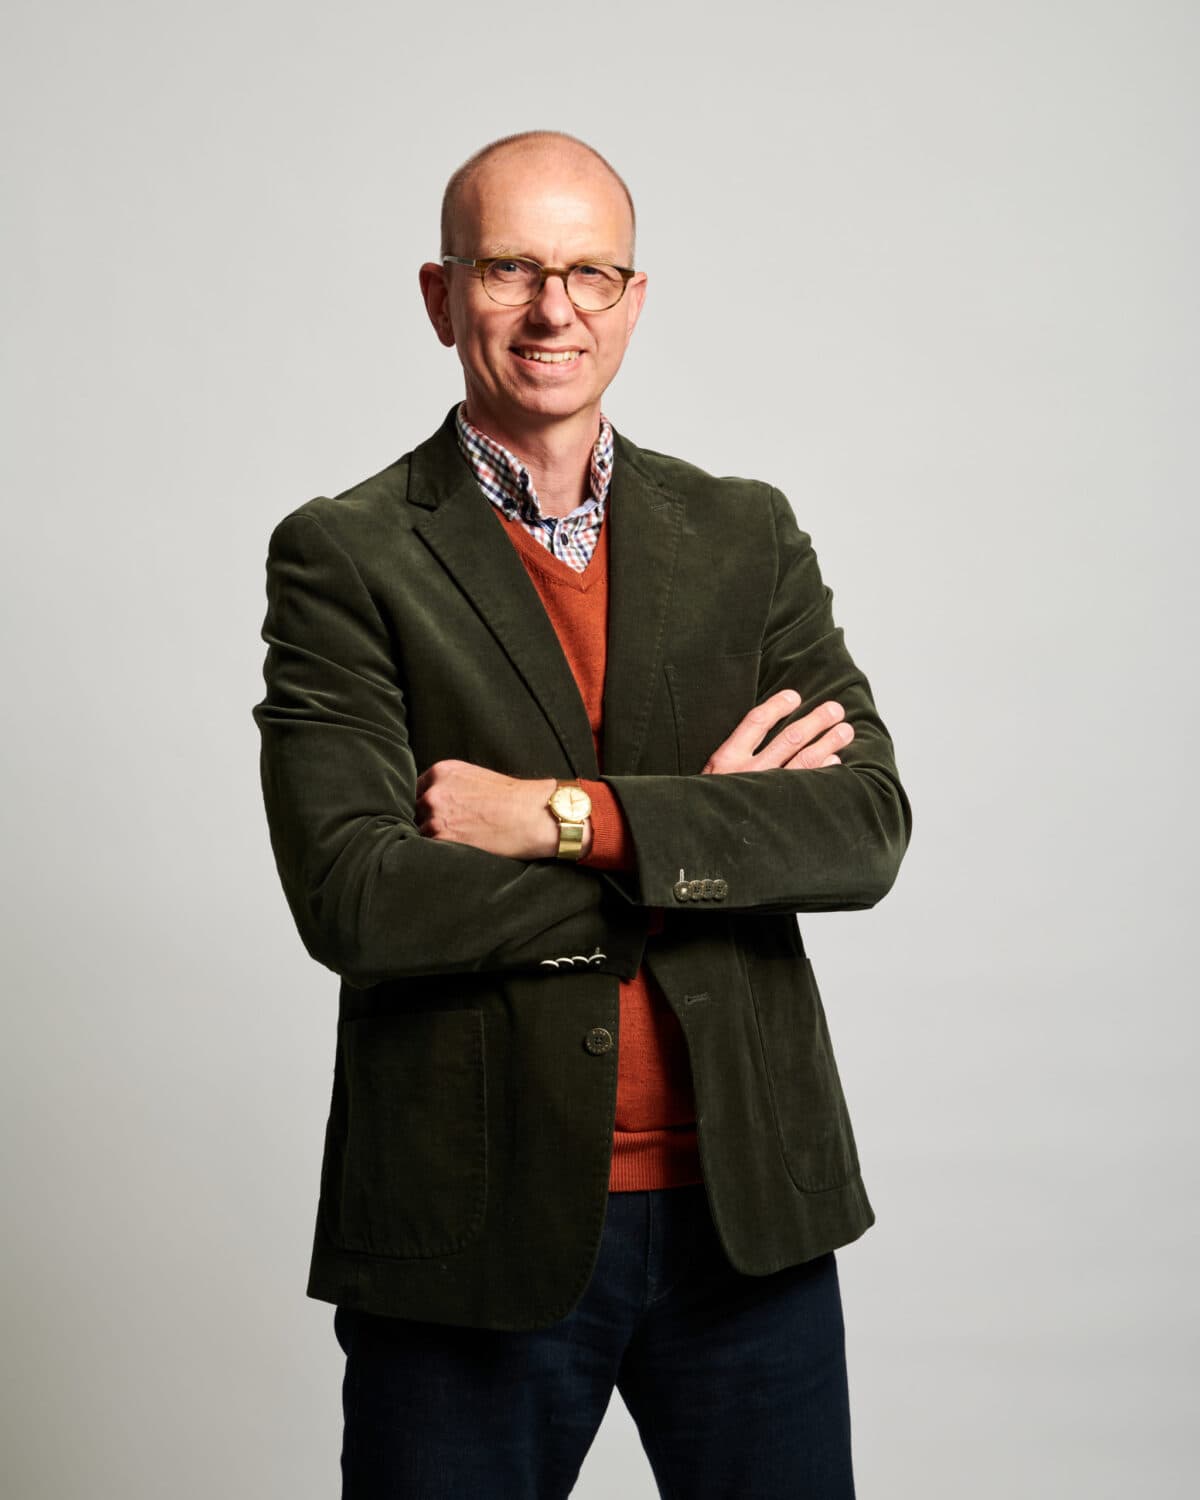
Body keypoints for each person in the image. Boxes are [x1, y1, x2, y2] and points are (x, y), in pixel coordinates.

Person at [252, 129, 911, 1499]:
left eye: (590, 274)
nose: (555, 310)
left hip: (750, 1219)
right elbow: (360, 898)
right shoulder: (346, 553)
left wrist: (565, 819)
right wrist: (704, 838)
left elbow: (860, 828)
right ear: (442, 296)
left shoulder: (746, 535)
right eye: (511, 269)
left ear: (633, 297)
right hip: (471, 1224)